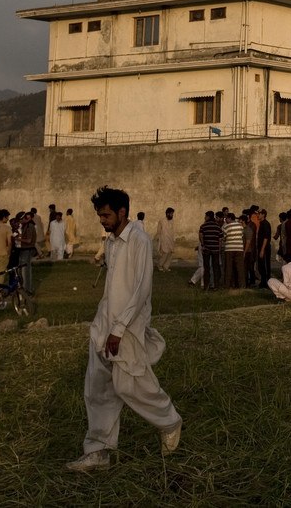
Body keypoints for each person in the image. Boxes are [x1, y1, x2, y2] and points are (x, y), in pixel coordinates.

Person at [66, 186, 181, 472]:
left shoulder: (139, 240)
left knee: (130, 385)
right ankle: (98, 451)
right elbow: (112, 290)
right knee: (97, 388)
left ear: (121, 212)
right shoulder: (111, 242)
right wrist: (104, 327)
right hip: (105, 325)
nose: (101, 220)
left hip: (127, 328)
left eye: (105, 215)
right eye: (99, 215)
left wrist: (118, 329)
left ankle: (170, 422)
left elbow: (141, 290)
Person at [197, 211, 222, 290]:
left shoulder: (203, 226)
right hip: (215, 249)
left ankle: (206, 286)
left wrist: (203, 245)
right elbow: (220, 239)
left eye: (205, 216)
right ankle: (216, 286)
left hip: (207, 249)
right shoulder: (218, 227)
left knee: (207, 268)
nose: (204, 218)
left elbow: (200, 236)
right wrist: (219, 248)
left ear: (208, 217)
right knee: (216, 268)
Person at [156, 208, 175, 272]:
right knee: (165, 253)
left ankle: (166, 266)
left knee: (170, 253)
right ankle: (160, 265)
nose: (172, 215)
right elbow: (159, 230)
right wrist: (159, 239)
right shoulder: (162, 220)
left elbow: (172, 231)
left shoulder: (172, 221)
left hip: (170, 240)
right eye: (171, 213)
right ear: (168, 213)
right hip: (164, 239)